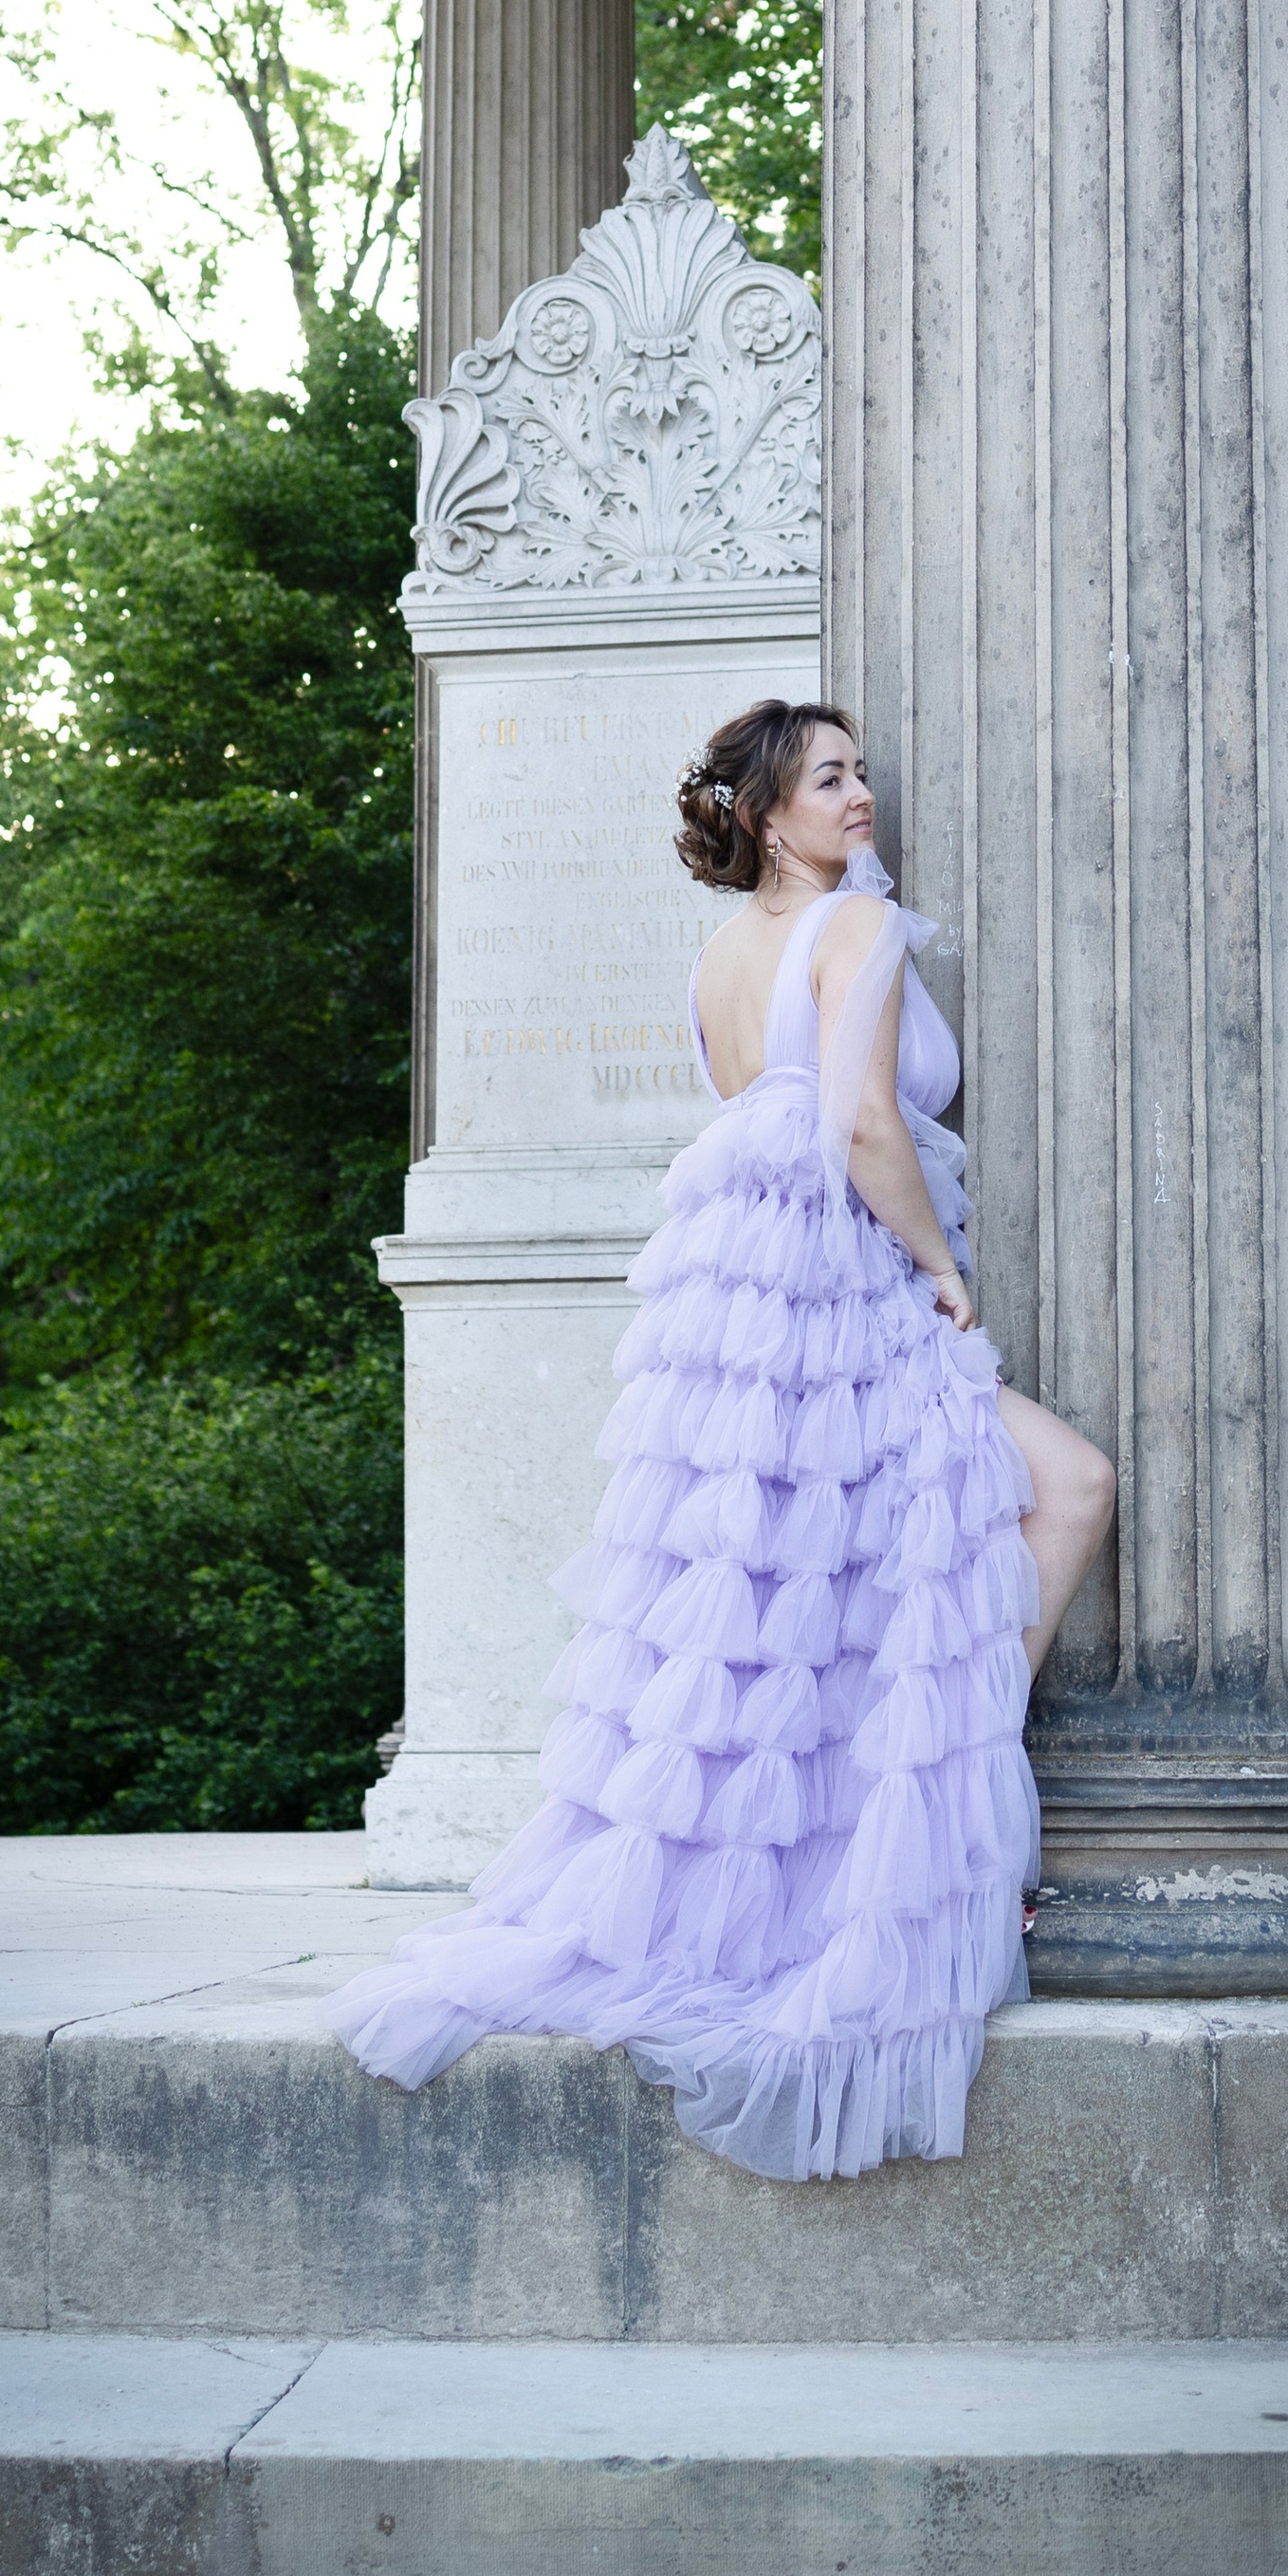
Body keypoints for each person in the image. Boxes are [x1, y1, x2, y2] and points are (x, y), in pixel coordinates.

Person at [320, 699, 1117, 2181]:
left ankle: (905, 1803)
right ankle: (935, 1809)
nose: (862, 794)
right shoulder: (863, 933)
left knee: (802, 1610)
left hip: (756, 1338)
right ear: (764, 809)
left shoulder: (716, 963)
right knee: (1068, 1486)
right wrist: (943, 1268)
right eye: (831, 777)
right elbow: (866, 1127)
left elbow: (761, 1119)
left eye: (862, 770)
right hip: (852, 1303)